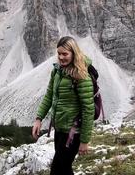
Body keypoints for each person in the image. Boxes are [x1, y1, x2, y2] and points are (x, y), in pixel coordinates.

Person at [32, 36, 95, 175]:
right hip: (60, 129)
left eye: (65, 54)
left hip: (73, 132)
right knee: (60, 168)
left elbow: (88, 109)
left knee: (61, 168)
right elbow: (49, 95)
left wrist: (84, 141)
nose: (61, 57)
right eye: (59, 53)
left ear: (74, 53)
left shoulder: (81, 76)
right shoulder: (57, 71)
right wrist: (38, 118)